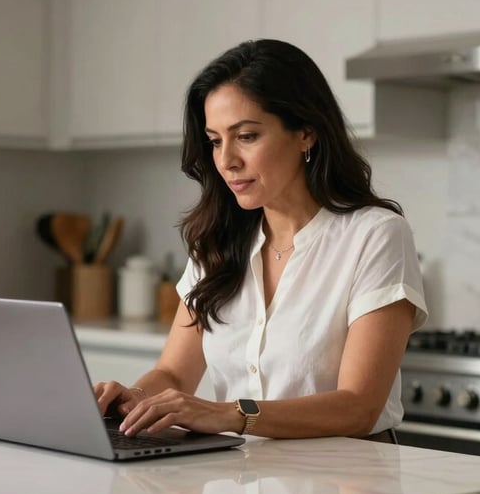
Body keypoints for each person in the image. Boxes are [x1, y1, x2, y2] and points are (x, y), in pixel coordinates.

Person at [95, 39, 427, 442]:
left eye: (247, 136)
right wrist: (135, 398)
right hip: (242, 483)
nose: (226, 160)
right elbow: (174, 372)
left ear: (306, 133)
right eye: (215, 140)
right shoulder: (217, 241)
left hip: (349, 485)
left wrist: (231, 415)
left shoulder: (375, 235)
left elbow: (359, 406)